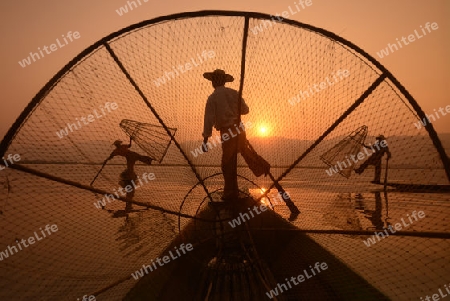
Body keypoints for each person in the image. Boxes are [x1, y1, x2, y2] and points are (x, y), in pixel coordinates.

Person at [201, 69, 249, 201]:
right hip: (240, 130)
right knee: (233, 160)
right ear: (224, 81)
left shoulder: (212, 98)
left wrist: (205, 141)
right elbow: (245, 110)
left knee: (227, 163)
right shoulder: (234, 93)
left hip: (227, 131)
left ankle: (230, 193)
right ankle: (233, 190)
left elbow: (208, 120)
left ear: (213, 83)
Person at [107, 138, 153, 211]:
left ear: (119, 144)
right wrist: (106, 160)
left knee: (139, 157)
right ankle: (128, 206)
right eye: (116, 145)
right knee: (131, 166)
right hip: (129, 157)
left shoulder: (122, 147)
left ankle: (150, 160)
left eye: (117, 144)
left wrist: (131, 139)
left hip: (132, 154)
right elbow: (111, 155)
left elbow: (129, 145)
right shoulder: (116, 150)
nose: (117, 145)